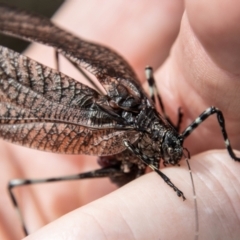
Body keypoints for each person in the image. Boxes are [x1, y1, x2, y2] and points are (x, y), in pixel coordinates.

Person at [1, 1, 240, 239]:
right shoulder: (131, 127)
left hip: (132, 141)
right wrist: (162, 175)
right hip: (120, 162)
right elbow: (131, 136)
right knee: (19, 183)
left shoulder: (156, 123)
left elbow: (213, 111)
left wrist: (230, 153)